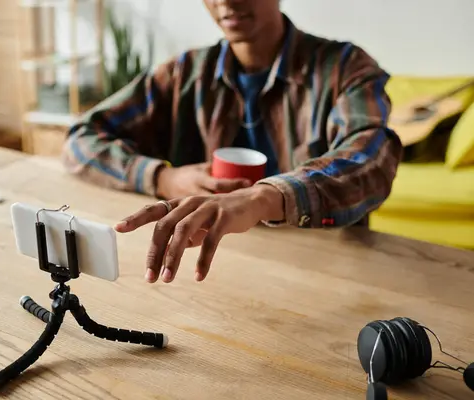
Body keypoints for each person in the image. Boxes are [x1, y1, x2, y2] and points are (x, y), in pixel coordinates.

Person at [63, 0, 403, 284]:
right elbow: (81, 139)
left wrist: (264, 198)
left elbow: (371, 157)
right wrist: (162, 177)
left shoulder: (344, 68)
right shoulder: (185, 73)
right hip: (209, 275)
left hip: (324, 276)